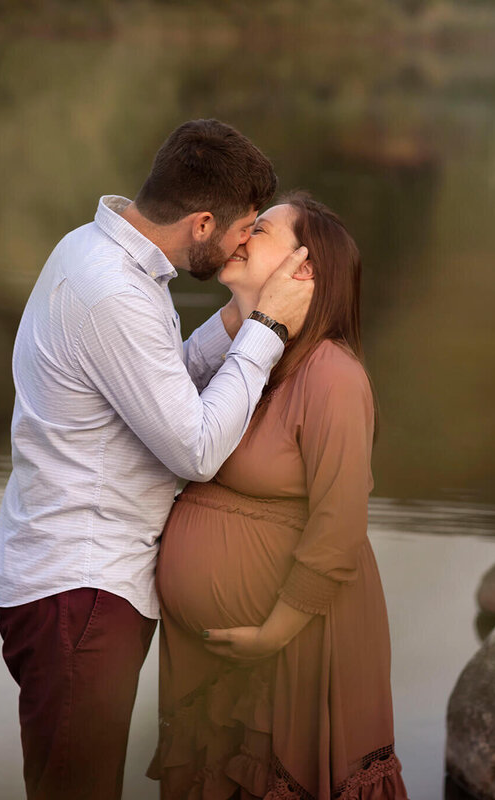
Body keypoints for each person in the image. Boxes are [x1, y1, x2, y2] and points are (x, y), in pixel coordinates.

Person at [0, 119, 314, 800]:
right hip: (79, 591)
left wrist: (235, 320)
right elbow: (194, 447)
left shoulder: (97, 255)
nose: (246, 241)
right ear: (202, 222)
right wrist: (268, 331)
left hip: (71, 585)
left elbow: (156, 383)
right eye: (244, 227)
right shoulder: (113, 292)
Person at [147, 193, 407, 799]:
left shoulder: (331, 375)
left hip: (296, 644)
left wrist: (275, 631)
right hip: (213, 658)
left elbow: (340, 527)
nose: (239, 236)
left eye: (259, 229)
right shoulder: (247, 363)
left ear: (303, 270)